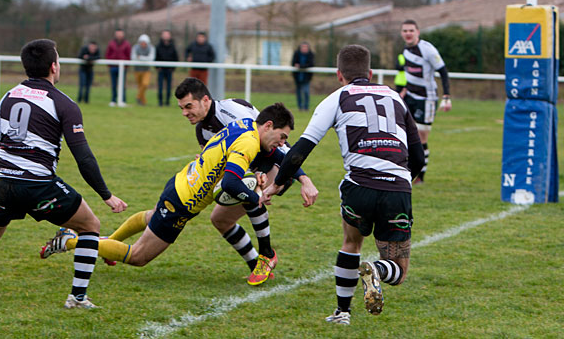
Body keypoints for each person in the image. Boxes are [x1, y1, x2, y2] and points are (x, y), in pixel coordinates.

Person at [0, 39, 128, 309]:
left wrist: (12, 174)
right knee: (90, 226)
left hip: (3, 182)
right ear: (54, 66)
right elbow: (83, 157)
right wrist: (106, 195)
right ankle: (77, 297)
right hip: (38, 185)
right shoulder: (63, 103)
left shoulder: (8, 96)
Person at [261, 45, 424, 325]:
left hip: (358, 186)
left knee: (351, 243)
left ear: (339, 75)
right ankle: (377, 269)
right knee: (398, 269)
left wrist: (278, 184)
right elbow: (418, 155)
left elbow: (300, 148)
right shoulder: (395, 97)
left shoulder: (335, 98)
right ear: (371, 73)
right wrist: (403, 181)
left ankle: (342, 313)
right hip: (397, 188)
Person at [41, 104, 294, 282]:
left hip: (180, 183)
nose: (282, 142)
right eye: (282, 136)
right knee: (138, 256)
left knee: (152, 218)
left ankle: (107, 243)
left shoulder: (246, 124)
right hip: (182, 203)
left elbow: (268, 155)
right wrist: (256, 197)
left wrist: (283, 176)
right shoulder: (249, 142)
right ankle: (70, 241)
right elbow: (229, 184)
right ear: (269, 125)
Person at [174, 77, 318, 285]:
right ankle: (257, 266)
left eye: (189, 106)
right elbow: (230, 164)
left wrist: (302, 178)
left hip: (278, 166)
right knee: (220, 220)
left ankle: (267, 254)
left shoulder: (232, 110)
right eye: (182, 108)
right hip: (253, 168)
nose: (185, 113)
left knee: (248, 190)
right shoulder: (203, 131)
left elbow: (271, 142)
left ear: (205, 100)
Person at [399, 19, 452, 184]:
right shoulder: (406, 52)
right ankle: (406, 171)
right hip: (410, 98)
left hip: (426, 99)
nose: (408, 33)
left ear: (417, 32)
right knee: (405, 134)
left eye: (411, 30)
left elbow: (443, 72)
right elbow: (409, 75)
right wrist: (403, 91)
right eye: (405, 31)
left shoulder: (427, 49)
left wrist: (447, 96)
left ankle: (420, 176)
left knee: (421, 137)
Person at [105, 28, 131, 107]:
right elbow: (108, 54)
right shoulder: (111, 43)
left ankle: (123, 100)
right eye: (118, 34)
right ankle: (113, 100)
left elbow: (128, 55)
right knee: (113, 84)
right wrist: (110, 64)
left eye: (120, 34)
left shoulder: (127, 44)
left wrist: (126, 65)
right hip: (113, 67)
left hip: (123, 67)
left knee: (122, 85)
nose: (119, 36)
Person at [155, 29, 179, 107]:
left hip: (169, 70)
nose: (166, 36)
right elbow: (156, 57)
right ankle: (160, 102)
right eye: (164, 34)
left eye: (167, 34)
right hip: (161, 70)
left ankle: (167, 102)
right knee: (160, 86)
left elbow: (176, 58)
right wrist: (157, 67)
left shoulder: (172, 46)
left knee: (169, 87)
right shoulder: (158, 46)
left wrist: (172, 68)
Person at [131, 34, 155, 106]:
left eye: (145, 43)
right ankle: (143, 102)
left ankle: (138, 97)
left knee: (145, 84)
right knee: (140, 86)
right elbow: (133, 57)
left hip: (146, 70)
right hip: (137, 70)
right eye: (142, 42)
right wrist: (144, 58)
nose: (143, 44)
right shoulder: (135, 47)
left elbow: (151, 58)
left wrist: (140, 57)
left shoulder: (151, 48)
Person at [291, 42, 315, 111]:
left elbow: (311, 64)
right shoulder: (297, 54)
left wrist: (300, 66)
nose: (304, 49)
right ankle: (300, 108)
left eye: (305, 47)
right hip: (298, 77)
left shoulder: (311, 55)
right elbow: (293, 63)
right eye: (303, 47)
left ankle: (306, 107)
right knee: (298, 93)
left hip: (306, 77)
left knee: (306, 92)